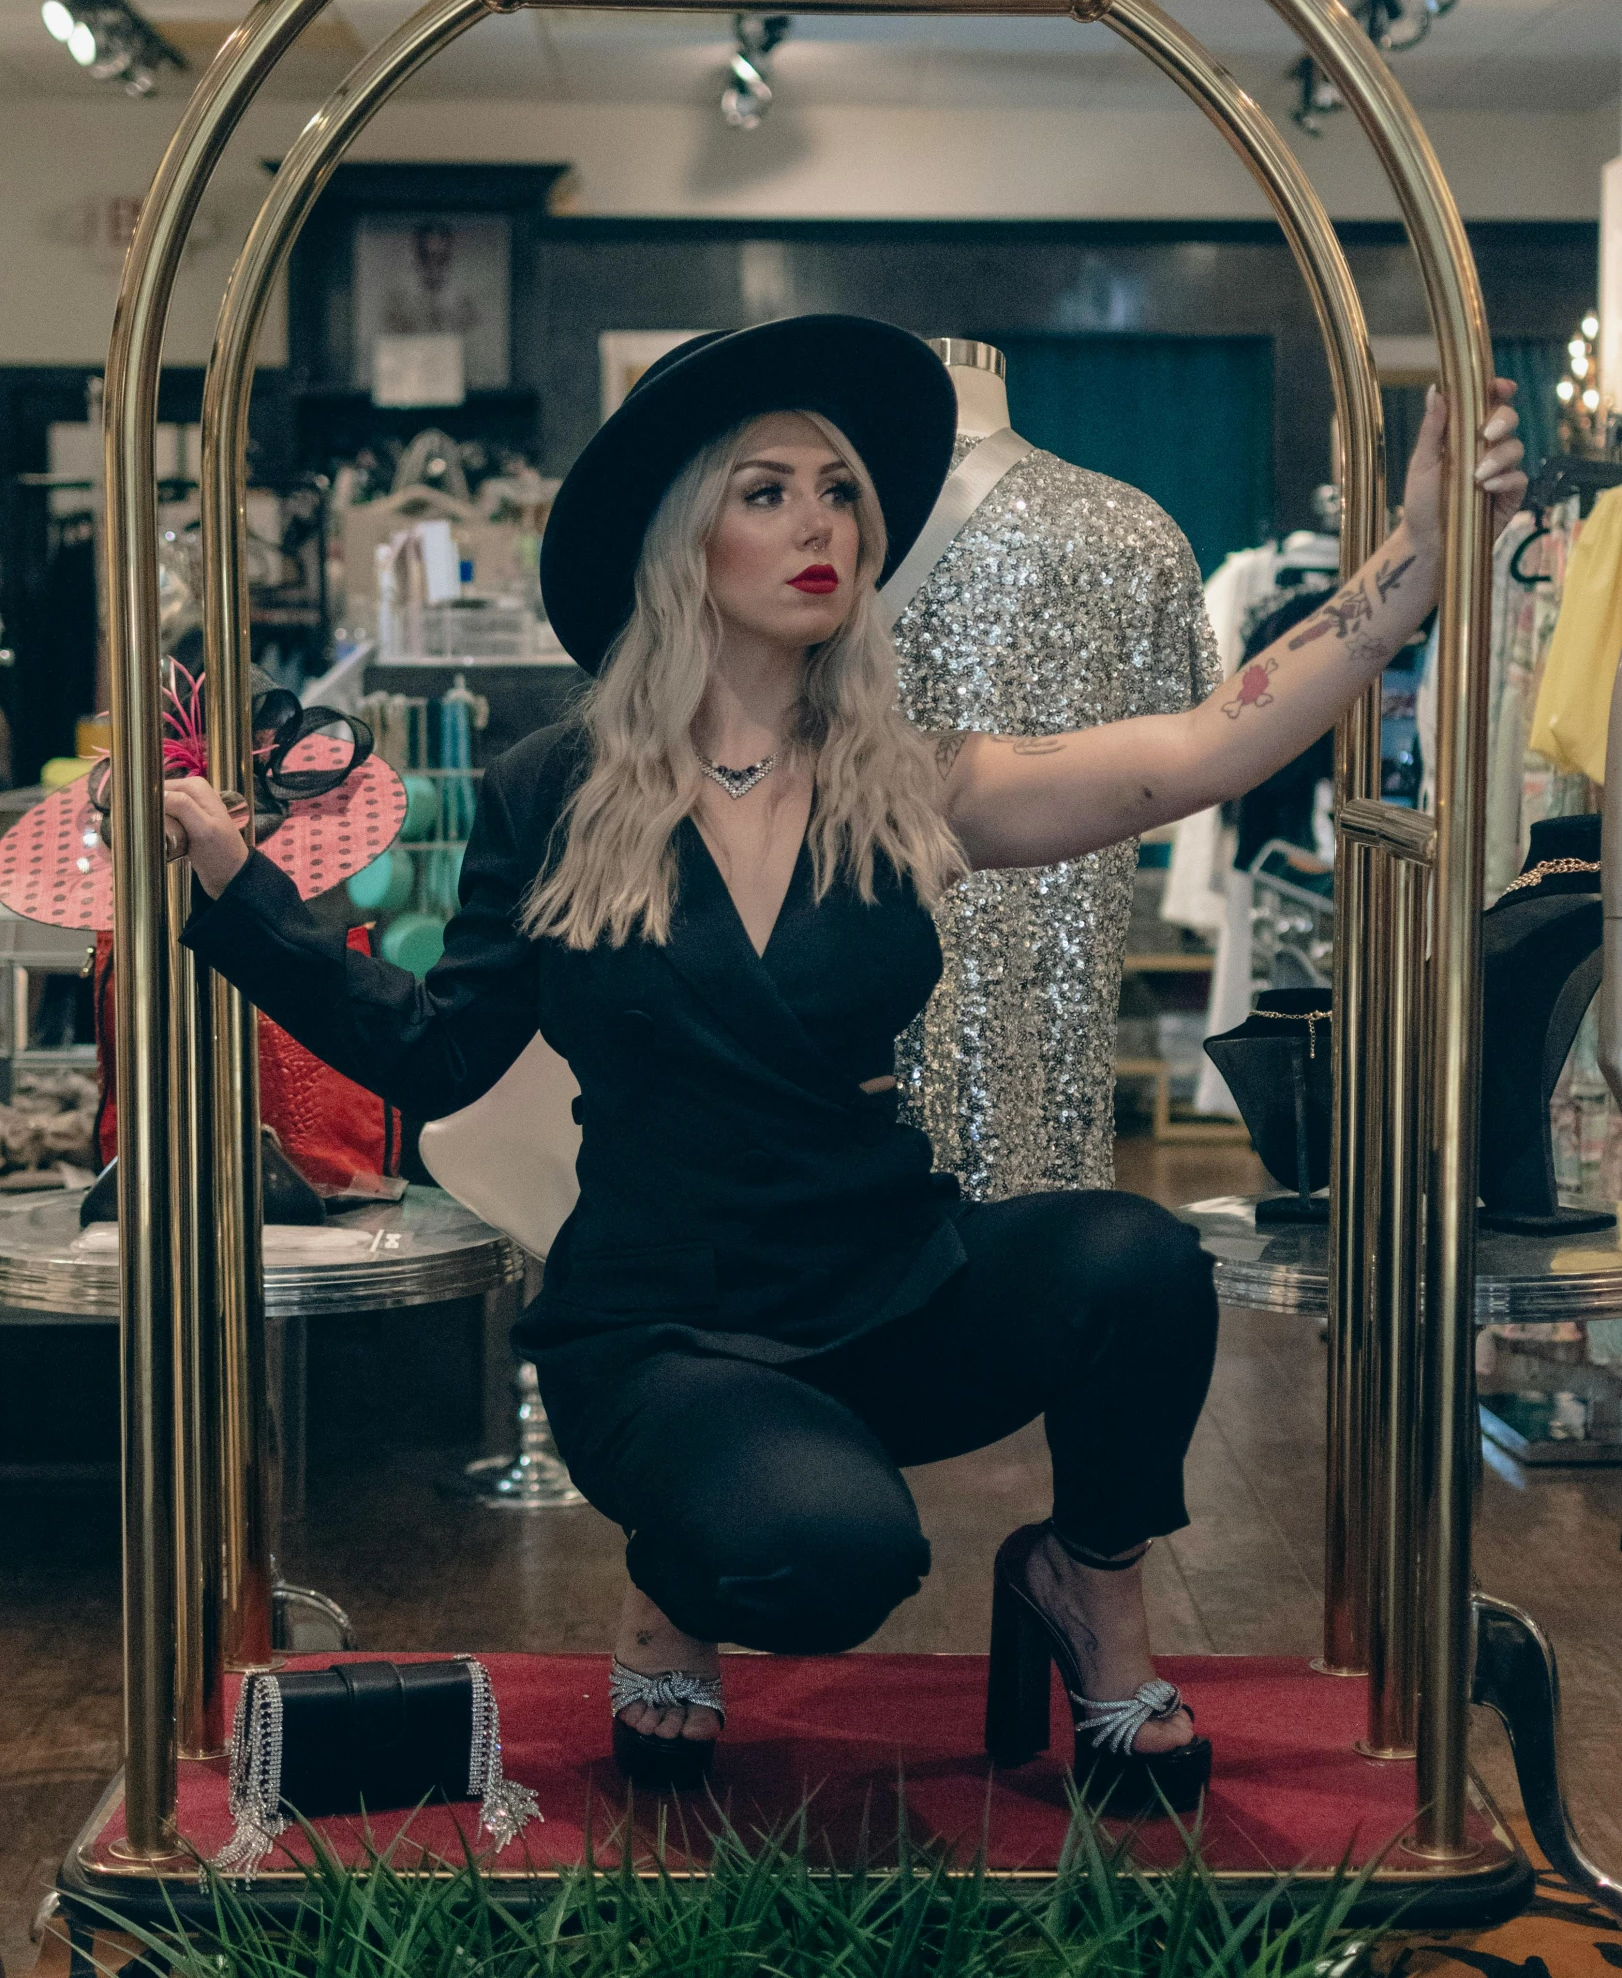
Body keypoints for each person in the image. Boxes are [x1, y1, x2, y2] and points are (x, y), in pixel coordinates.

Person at [167, 316, 1525, 1813]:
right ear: (683, 536)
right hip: (665, 1331)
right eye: (766, 490)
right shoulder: (547, 788)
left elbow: (1203, 746)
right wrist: (243, 892)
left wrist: (1406, 569)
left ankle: (1090, 1593)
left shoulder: (914, 776)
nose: (819, 522)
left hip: (888, 1288)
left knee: (1137, 1257)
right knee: (831, 1558)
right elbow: (433, 1052)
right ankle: (671, 1587)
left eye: (838, 493)